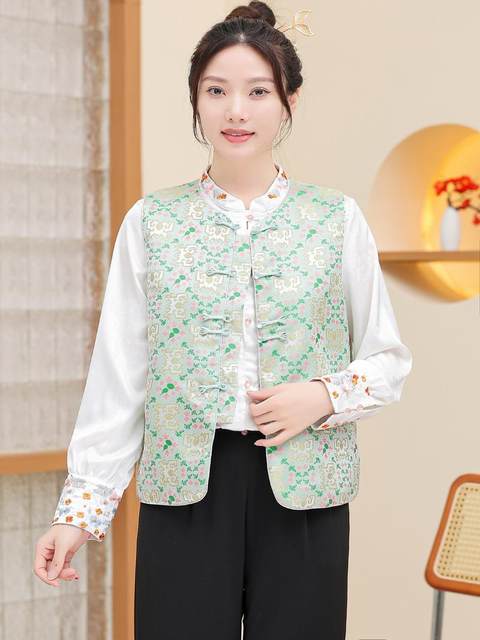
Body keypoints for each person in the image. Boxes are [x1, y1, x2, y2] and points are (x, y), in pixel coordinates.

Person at [33, 2, 413, 639]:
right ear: (196, 101)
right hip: (184, 489)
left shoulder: (337, 218)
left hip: (306, 491)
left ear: (289, 101)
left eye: (258, 91)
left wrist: (322, 395)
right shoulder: (151, 222)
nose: (237, 110)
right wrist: (79, 513)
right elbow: (119, 377)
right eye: (217, 91)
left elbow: (388, 360)